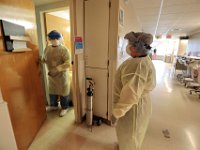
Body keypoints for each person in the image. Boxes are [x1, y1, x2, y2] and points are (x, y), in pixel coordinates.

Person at [111, 31, 156, 150]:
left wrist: (117, 112)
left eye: (130, 44)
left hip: (133, 108)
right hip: (135, 105)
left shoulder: (138, 65)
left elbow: (131, 94)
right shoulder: (141, 60)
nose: (128, 46)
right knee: (130, 135)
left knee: (130, 135)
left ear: (136, 47)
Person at [41, 30, 71, 117]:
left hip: (61, 76)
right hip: (51, 76)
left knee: (63, 92)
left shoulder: (64, 49)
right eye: (52, 39)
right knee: (52, 91)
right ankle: (53, 106)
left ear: (59, 39)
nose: (54, 40)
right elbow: (45, 58)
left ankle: (64, 107)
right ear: (49, 39)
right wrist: (41, 60)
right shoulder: (47, 48)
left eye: (56, 38)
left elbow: (68, 63)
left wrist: (57, 69)